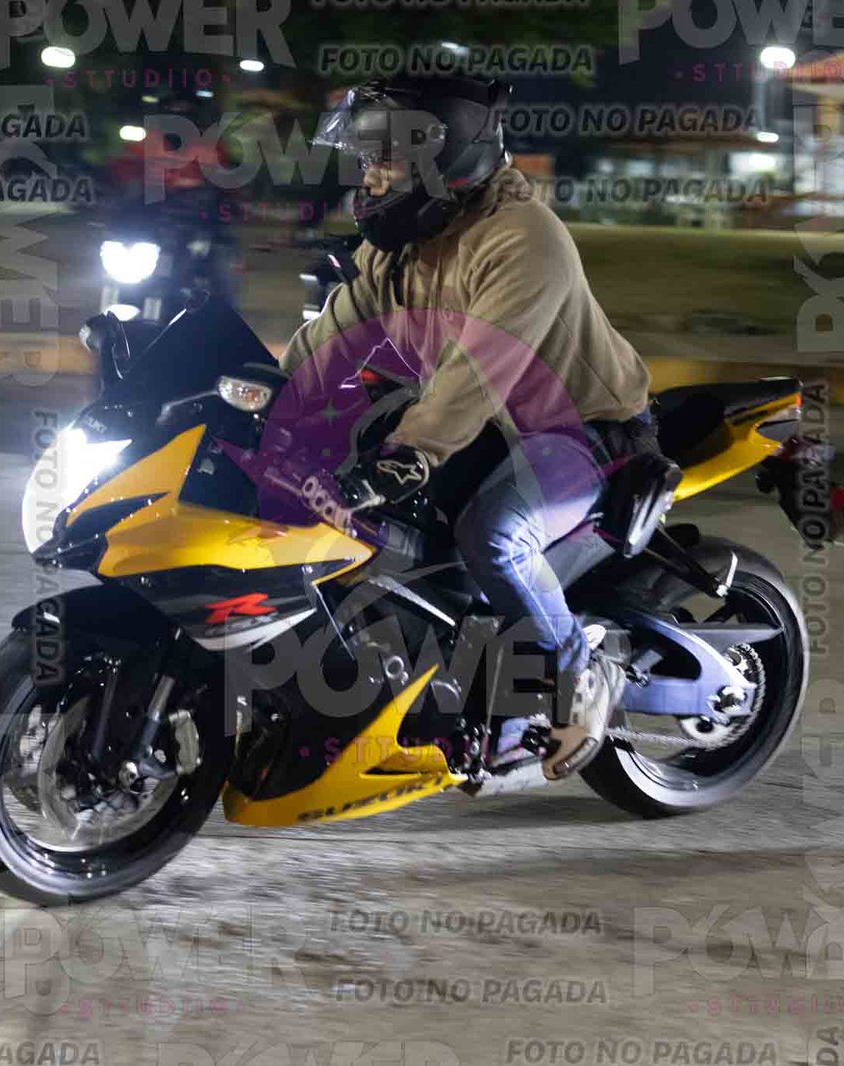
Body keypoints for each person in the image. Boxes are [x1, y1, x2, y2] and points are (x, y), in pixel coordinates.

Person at [279, 75, 653, 779]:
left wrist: (411, 452)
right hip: (482, 430)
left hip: (580, 432)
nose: (370, 177)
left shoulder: (522, 239)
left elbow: (478, 371)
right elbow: (328, 344)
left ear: (443, 158)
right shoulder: (400, 242)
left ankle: (581, 673)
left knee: (495, 535)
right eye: (367, 160)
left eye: (386, 159)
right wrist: (263, 410)